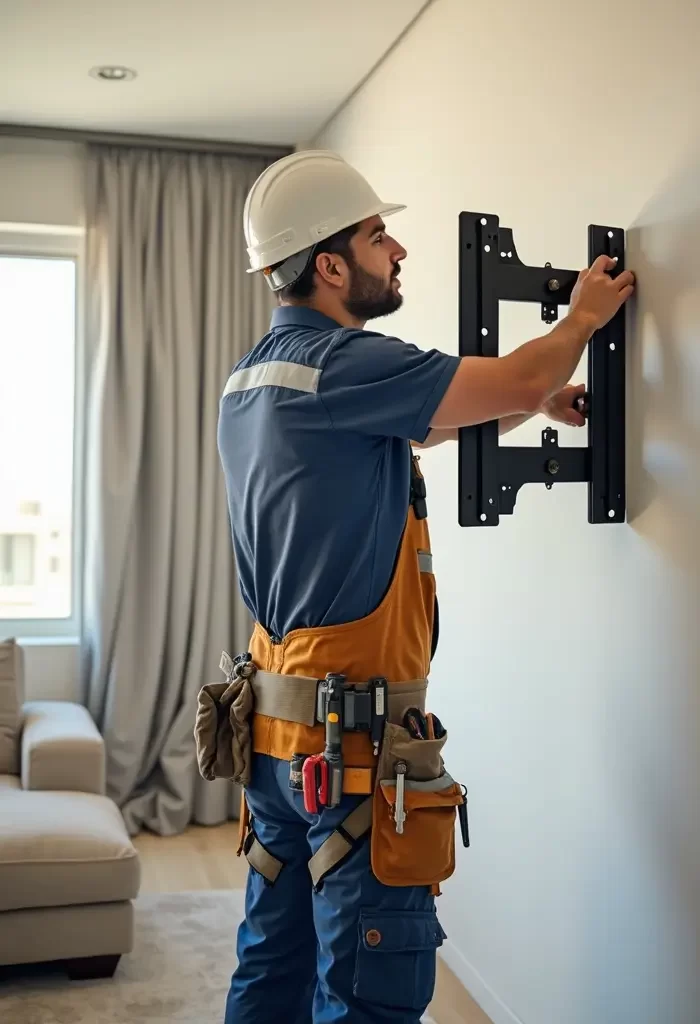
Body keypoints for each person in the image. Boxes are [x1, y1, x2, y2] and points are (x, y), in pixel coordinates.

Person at [216, 151, 635, 1024]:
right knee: (368, 995)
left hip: (275, 736)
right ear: (329, 265)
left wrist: (538, 401)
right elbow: (504, 379)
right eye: (377, 236)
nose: (396, 248)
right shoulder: (345, 362)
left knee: (275, 968)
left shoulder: (257, 379)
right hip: (350, 751)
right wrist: (584, 318)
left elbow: (436, 424)